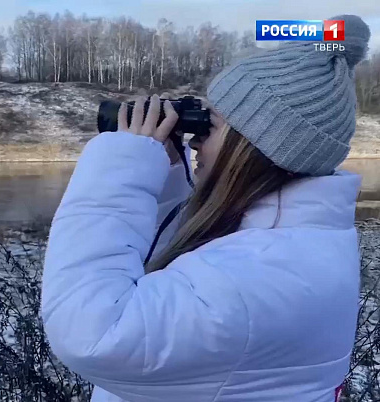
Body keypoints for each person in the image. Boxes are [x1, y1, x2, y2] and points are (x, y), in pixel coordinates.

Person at [41, 14, 371, 402]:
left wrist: (121, 166)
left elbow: (93, 333)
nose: (195, 140)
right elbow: (170, 278)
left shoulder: (257, 273)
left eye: (209, 125)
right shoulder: (287, 244)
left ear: (252, 147)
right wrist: (165, 177)